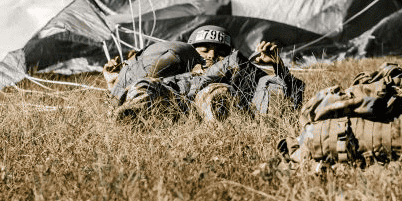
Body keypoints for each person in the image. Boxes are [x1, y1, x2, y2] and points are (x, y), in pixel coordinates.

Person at [103, 24, 303, 122]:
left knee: (218, 94)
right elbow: (138, 82)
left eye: (220, 51)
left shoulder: (239, 69)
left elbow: (293, 95)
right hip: (170, 106)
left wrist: (277, 65)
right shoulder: (177, 66)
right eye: (204, 49)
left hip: (212, 107)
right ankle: (132, 119)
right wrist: (113, 79)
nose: (212, 54)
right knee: (145, 87)